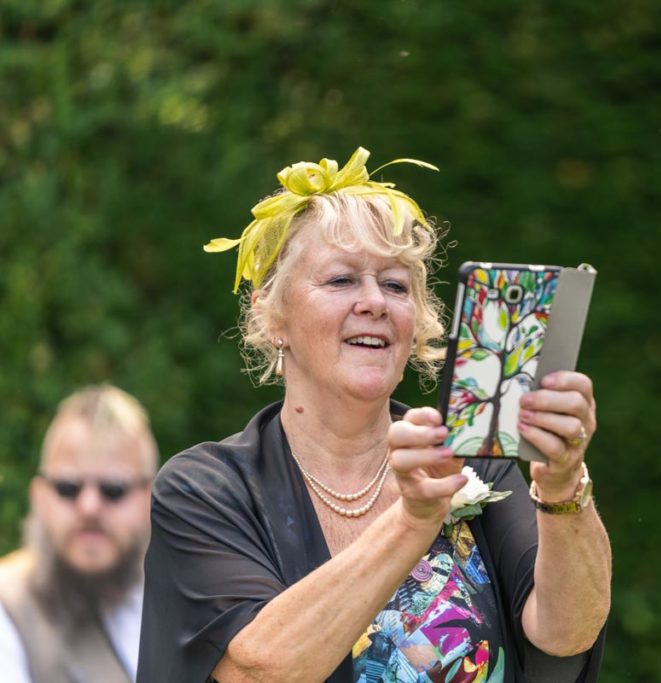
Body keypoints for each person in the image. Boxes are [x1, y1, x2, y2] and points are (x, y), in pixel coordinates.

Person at [137, 149, 612, 682]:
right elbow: (258, 670)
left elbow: (567, 634)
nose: (374, 303)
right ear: (272, 314)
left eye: (395, 285)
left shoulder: (474, 465)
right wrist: (412, 521)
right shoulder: (205, 490)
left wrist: (563, 485)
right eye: (341, 280)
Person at [0, 385, 158, 683]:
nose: (89, 507)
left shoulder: (182, 600)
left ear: (150, 498)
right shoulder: (8, 608)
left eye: (114, 489)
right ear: (39, 496)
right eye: (68, 488)